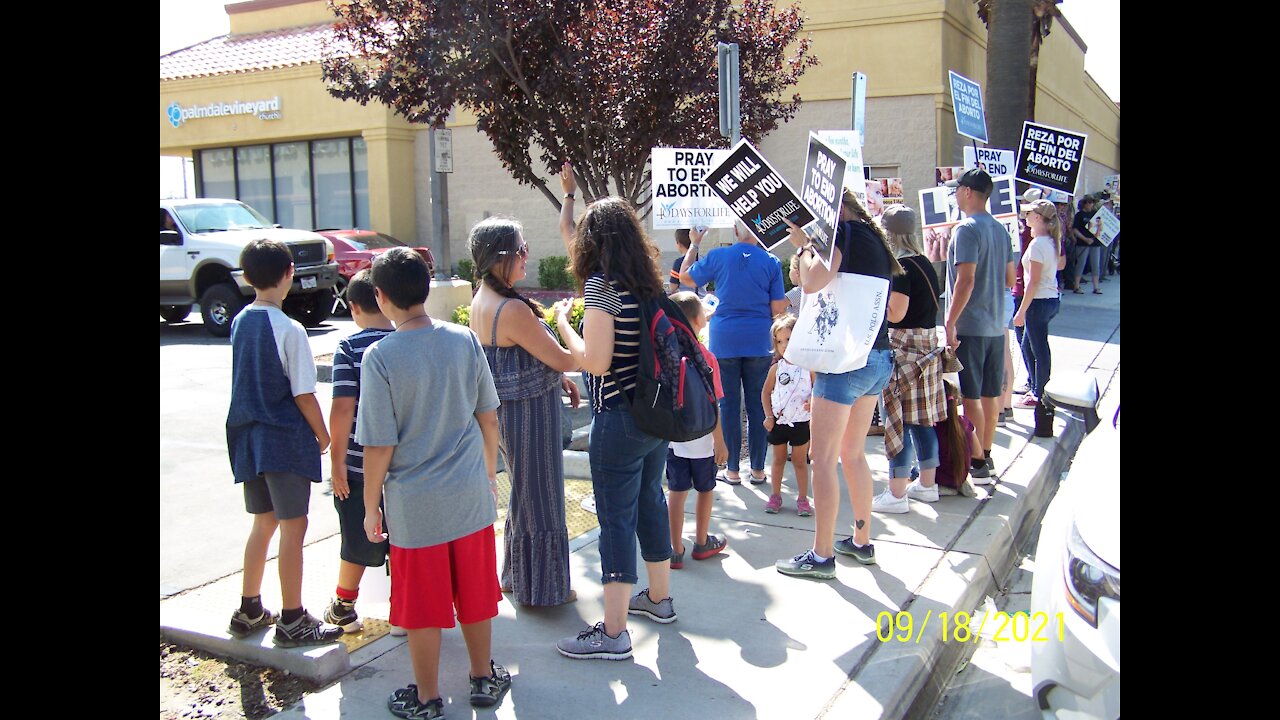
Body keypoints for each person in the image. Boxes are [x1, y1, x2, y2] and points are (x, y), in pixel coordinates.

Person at [358, 248, 511, 716]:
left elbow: (379, 446)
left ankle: (427, 699)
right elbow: (488, 418)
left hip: (413, 505)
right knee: (477, 592)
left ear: (380, 297)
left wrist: (370, 507)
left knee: (422, 605)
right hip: (467, 493)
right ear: (427, 287)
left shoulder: (379, 356)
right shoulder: (463, 340)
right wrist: (488, 473)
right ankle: (483, 677)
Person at [552, 162, 676, 661]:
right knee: (650, 500)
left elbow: (596, 361)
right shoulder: (649, 284)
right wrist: (569, 198)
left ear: (592, 244)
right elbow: (568, 232)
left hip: (619, 417)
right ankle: (660, 600)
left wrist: (563, 323)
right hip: (655, 417)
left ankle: (614, 633)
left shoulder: (601, 288)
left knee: (616, 521)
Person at [775, 189, 904, 579]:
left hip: (843, 362)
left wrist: (805, 245)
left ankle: (822, 555)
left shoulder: (843, 234)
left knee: (823, 459)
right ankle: (862, 542)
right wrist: (809, 246)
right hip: (876, 356)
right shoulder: (871, 238)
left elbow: (811, 282)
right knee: (853, 455)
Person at [224, 239, 343, 647]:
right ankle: (293, 618)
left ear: (247, 277)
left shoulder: (240, 320)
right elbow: (303, 394)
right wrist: (324, 436)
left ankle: (250, 607)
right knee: (294, 527)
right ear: (290, 272)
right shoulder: (289, 329)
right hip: (283, 439)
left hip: (247, 436)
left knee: (263, 523)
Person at [467, 216, 581, 607]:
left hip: (509, 416)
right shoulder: (511, 309)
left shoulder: (481, 298)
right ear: (501, 257)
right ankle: (545, 588)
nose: (526, 255)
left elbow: (514, 359)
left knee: (524, 494)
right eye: (521, 249)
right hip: (530, 415)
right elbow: (567, 359)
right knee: (541, 497)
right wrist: (565, 322)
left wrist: (556, 374)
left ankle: (517, 577)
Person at [676, 222, 789, 485]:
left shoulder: (717, 256)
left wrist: (694, 243)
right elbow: (777, 310)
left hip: (724, 341)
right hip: (760, 341)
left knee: (728, 405)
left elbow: (685, 277)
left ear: (737, 231)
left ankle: (733, 469)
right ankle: (758, 469)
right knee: (758, 405)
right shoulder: (771, 261)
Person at [323, 269, 395, 635]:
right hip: (401, 464)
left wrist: (336, 462)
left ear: (353, 307)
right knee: (402, 539)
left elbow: (342, 407)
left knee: (357, 536)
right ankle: (404, 605)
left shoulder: (349, 348)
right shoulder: (402, 341)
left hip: (357, 462)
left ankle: (344, 606)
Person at [873, 205, 947, 513]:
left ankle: (897, 492)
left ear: (888, 233)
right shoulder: (924, 263)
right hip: (927, 346)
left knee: (897, 420)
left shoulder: (900, 267)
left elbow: (897, 313)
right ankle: (927, 485)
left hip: (905, 348)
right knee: (922, 420)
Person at [943, 169, 1014, 485]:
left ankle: (978, 460)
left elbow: (966, 279)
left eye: (957, 189)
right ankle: (985, 453)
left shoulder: (966, 230)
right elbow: (1011, 279)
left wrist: (950, 320)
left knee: (970, 396)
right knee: (989, 395)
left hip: (971, 325)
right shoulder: (1001, 230)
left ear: (968, 192)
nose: (955, 194)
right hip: (996, 325)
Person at [665, 292, 730, 568]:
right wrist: (721, 442)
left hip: (673, 439)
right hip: (703, 439)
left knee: (677, 492)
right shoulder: (706, 357)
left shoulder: (666, 354)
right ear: (698, 321)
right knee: (705, 489)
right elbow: (714, 403)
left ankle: (675, 548)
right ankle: (702, 542)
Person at [1012, 199, 1064, 407]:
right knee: (1029, 345)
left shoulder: (1038, 244)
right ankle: (1036, 388)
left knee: (1038, 348)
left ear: (1038, 218)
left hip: (1039, 301)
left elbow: (1032, 282)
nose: (1026, 217)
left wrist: (1021, 311)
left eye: (1029, 214)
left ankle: (1040, 392)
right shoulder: (1051, 241)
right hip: (1049, 299)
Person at [760, 314, 813, 516]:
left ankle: (802, 498)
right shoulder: (776, 368)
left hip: (801, 422)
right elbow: (765, 392)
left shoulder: (809, 368)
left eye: (789, 339)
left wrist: (811, 402)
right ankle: (775, 496)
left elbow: (817, 390)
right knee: (778, 459)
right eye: (779, 341)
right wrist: (768, 416)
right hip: (779, 422)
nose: (784, 345)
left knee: (800, 462)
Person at [1071, 196, 1103, 295]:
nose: (1090, 204)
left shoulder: (1096, 214)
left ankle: (1096, 287)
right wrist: (1085, 239)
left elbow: (1101, 226)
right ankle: (1076, 286)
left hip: (1095, 243)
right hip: (1082, 243)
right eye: (1088, 202)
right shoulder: (1079, 215)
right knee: (1080, 264)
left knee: (1095, 265)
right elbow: (1075, 229)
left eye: (1092, 203)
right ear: (1084, 203)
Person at [669, 229, 703, 294]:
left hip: (686, 300)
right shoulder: (703, 260)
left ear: (679, 244)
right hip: (702, 299)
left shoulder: (679, 262)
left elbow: (673, 287)